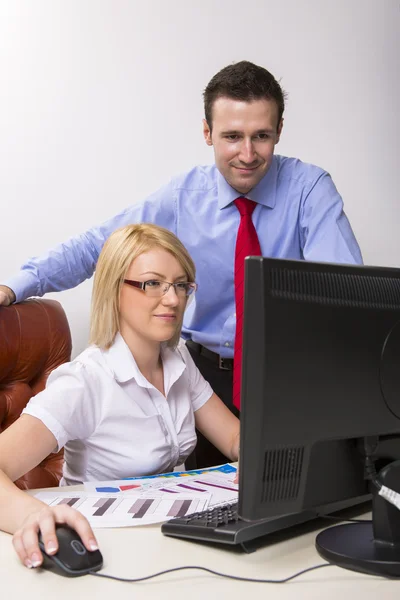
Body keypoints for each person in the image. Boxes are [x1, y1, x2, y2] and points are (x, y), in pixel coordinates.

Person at [0, 60, 362, 467]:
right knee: (210, 506)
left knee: (296, 489)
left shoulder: (309, 191)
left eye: (261, 136)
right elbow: (98, 246)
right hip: (207, 376)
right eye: (231, 136)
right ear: (207, 133)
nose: (247, 153)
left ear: (279, 130)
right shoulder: (183, 196)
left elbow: (342, 294)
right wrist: (15, 286)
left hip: (288, 377)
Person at [0, 223, 240, 569]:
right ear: (115, 289)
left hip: (165, 540)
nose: (172, 299)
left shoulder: (179, 361)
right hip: (103, 545)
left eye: (181, 285)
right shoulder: (84, 382)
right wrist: (34, 516)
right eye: (152, 283)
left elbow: (233, 437)